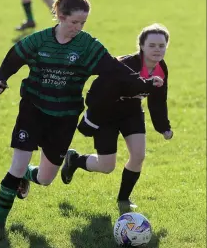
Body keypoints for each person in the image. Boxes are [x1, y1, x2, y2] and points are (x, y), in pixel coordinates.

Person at [0, 0, 163, 238]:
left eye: (83, 23)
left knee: (46, 178)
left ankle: (26, 175)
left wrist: (144, 83)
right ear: (59, 15)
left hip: (65, 117)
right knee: (17, 164)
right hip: (33, 110)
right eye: (74, 22)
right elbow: (14, 58)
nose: (78, 28)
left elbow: (114, 69)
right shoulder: (39, 40)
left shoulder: (87, 45)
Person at [60, 23, 173, 213]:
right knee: (106, 166)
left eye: (161, 46)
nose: (157, 50)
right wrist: (93, 118)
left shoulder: (161, 68)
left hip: (131, 113)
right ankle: (75, 160)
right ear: (142, 46)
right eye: (152, 45)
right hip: (107, 116)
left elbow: (158, 100)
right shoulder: (125, 65)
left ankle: (124, 199)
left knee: (138, 155)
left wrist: (163, 127)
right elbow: (97, 90)